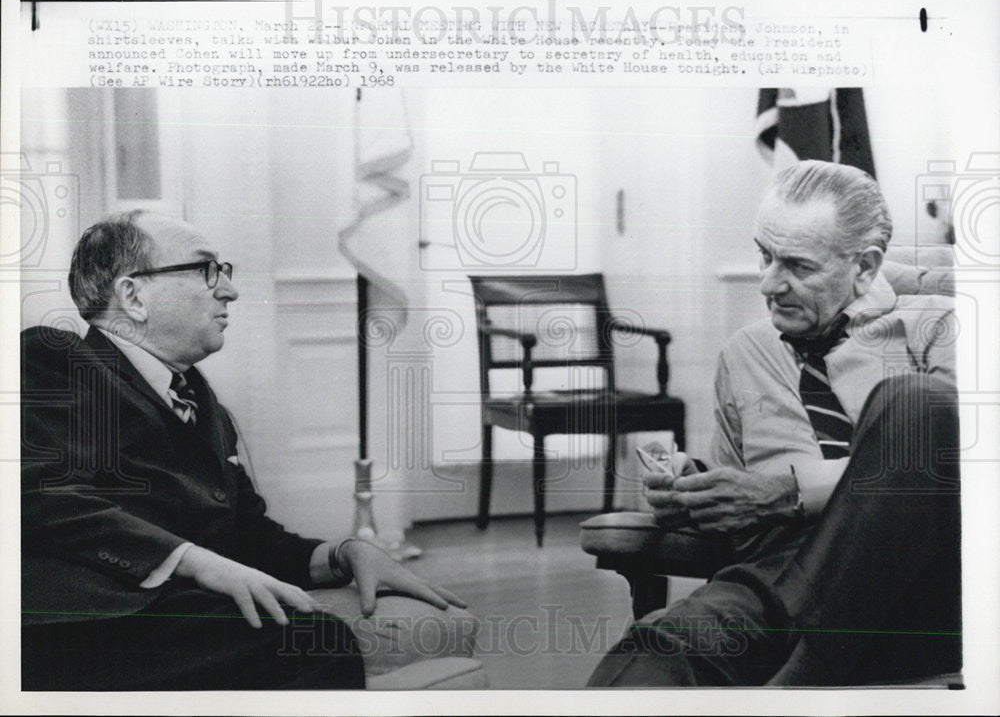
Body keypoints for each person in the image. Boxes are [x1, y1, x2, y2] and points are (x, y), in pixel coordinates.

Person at [21, 210, 476, 690]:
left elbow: (247, 536)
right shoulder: (57, 358)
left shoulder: (198, 399)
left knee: (307, 637)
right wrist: (197, 561)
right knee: (308, 640)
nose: (229, 291)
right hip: (81, 623)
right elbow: (44, 498)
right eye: (205, 270)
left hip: (175, 611)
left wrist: (342, 553)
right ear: (133, 296)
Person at [588, 160, 961, 686]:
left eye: (797, 266)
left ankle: (802, 680)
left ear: (865, 265)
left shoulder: (940, 326)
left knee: (919, 407)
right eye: (764, 255)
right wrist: (692, 490)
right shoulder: (746, 352)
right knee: (654, 654)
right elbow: (740, 504)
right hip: (772, 584)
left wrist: (787, 492)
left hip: (915, 595)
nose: (768, 284)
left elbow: (971, 468)